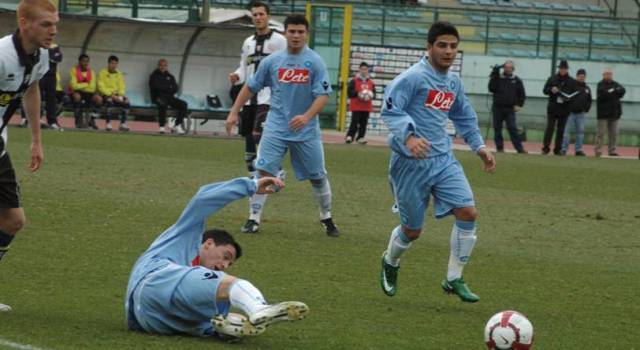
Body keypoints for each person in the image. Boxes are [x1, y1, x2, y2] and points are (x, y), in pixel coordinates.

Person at [379, 21, 496, 302]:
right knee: (412, 230)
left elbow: (464, 116)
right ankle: (390, 261)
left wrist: (479, 146)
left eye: (453, 46)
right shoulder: (412, 78)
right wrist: (409, 138)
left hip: (443, 159)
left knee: (468, 212)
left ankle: (454, 278)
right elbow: (390, 108)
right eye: (442, 45)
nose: (448, 51)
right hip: (410, 163)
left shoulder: (453, 82)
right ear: (429, 47)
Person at [125, 176, 308, 340]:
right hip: (155, 280)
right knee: (229, 285)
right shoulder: (187, 235)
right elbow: (203, 199)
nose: (224, 265)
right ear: (209, 243)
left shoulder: (194, 279)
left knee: (219, 307)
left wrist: (226, 330)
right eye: (225, 256)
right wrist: (250, 186)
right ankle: (258, 307)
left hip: (148, 320)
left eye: (229, 263)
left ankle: (225, 326)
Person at [225, 14, 339, 237]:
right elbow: (250, 86)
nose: (296, 36)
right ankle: (253, 218)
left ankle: (326, 218)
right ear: (285, 33)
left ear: (307, 34)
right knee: (263, 171)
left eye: (300, 32)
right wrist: (233, 112)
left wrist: (306, 117)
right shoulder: (272, 61)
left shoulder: (315, 61)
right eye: (292, 31)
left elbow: (323, 96)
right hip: (276, 127)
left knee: (317, 176)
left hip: (306, 131)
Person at [0, 0, 57, 312]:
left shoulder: (41, 56)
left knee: (12, 220)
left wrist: (36, 140)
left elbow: (32, 90)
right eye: (46, 24)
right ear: (24, 22)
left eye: (55, 24)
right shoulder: (1, 56)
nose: (53, 31)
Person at [229, 1, 286, 181]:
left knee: (261, 136)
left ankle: (273, 172)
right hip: (249, 97)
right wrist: (237, 76)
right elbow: (244, 67)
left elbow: (287, 64)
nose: (258, 17)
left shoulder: (279, 41)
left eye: (261, 14)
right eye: (255, 14)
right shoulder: (248, 43)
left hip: (269, 97)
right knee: (248, 137)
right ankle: (254, 177)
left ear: (268, 16)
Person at [19, 43, 62, 130]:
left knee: (51, 98)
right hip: (39, 74)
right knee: (33, 95)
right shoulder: (38, 45)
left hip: (51, 75)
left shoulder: (55, 46)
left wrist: (49, 56)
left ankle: (52, 121)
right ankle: (29, 118)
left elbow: (57, 58)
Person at [488, 59, 527, 153]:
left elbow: (522, 94)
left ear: (513, 69)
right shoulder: (498, 78)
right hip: (497, 107)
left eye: (510, 67)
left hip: (510, 108)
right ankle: (499, 148)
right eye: (506, 67)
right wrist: (494, 75)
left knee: (512, 128)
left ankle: (519, 149)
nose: (508, 69)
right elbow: (491, 88)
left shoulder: (516, 80)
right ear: (503, 68)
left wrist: (519, 104)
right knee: (497, 128)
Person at [542, 60, 577, 155]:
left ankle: (558, 149)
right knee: (550, 128)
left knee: (561, 130)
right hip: (553, 107)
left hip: (564, 108)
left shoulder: (572, 81)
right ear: (559, 69)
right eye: (561, 68)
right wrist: (551, 89)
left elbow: (575, 94)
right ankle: (545, 148)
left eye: (564, 69)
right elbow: (544, 90)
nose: (563, 70)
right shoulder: (552, 79)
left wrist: (568, 99)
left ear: (567, 69)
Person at [149, 59, 188, 135]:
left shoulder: (170, 76)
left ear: (167, 66)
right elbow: (155, 87)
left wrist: (166, 88)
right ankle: (162, 126)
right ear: (158, 66)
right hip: (158, 97)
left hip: (170, 97)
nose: (163, 67)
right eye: (161, 65)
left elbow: (175, 88)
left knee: (184, 104)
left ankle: (177, 125)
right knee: (162, 104)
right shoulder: (154, 75)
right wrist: (168, 87)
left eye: (164, 65)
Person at [595, 68, 625, 157]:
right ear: (603, 75)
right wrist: (615, 91)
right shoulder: (600, 84)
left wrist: (612, 91)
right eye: (607, 74)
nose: (609, 75)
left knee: (614, 134)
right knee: (600, 133)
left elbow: (623, 90)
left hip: (614, 113)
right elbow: (603, 94)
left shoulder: (616, 84)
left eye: (610, 74)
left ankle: (612, 150)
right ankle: (598, 150)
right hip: (603, 114)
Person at [561, 68, 591, 156]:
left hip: (581, 114)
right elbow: (565, 96)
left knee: (580, 132)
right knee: (566, 132)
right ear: (577, 76)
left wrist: (586, 109)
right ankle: (563, 149)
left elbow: (589, 100)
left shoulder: (587, 88)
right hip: (570, 113)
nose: (582, 78)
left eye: (583, 77)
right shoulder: (571, 86)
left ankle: (578, 149)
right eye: (580, 76)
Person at [345, 61, 375, 145]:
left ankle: (360, 137)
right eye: (362, 69)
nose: (364, 71)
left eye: (365, 69)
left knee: (363, 123)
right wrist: (358, 94)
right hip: (356, 106)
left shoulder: (371, 82)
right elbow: (349, 92)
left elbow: (374, 94)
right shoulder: (354, 81)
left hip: (366, 107)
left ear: (367, 70)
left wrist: (370, 95)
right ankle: (350, 136)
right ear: (359, 70)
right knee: (354, 122)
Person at [97, 55, 130, 132]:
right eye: (112, 63)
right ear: (108, 63)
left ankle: (123, 124)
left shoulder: (119, 74)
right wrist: (111, 95)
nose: (113, 65)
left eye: (115, 64)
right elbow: (101, 87)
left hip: (117, 95)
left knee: (127, 102)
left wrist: (121, 95)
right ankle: (108, 123)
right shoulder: (102, 73)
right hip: (106, 95)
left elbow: (122, 86)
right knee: (109, 101)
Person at [69, 53, 102, 129]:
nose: (86, 63)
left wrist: (81, 85)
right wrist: (86, 84)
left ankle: (92, 120)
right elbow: (74, 86)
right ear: (79, 62)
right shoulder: (74, 70)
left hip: (88, 93)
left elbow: (93, 87)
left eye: (87, 61)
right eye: (84, 61)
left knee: (99, 99)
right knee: (77, 97)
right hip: (77, 92)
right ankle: (79, 122)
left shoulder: (92, 72)